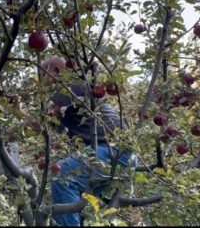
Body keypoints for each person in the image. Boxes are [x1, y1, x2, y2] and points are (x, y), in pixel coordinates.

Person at [40, 57, 137, 226]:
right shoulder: (75, 97)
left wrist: (15, 112)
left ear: (56, 71)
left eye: (43, 74)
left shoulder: (67, 87)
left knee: (62, 176)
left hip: (111, 152)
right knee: (76, 195)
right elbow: (45, 126)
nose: (42, 80)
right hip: (126, 159)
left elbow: (40, 120)